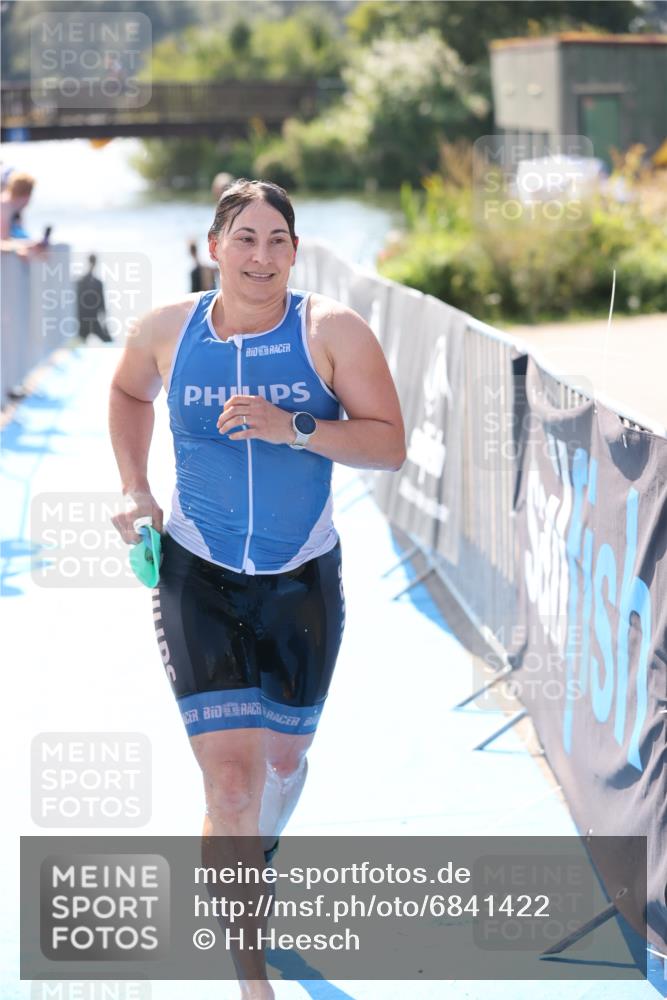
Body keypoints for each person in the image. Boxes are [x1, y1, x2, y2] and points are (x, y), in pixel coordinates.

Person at [109, 179, 405, 999]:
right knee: (230, 784)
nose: (261, 256)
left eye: (277, 239)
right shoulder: (167, 330)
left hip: (301, 578)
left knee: (284, 758)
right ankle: (252, 980)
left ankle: (256, 850)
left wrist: (295, 426)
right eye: (244, 238)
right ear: (214, 247)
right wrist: (135, 489)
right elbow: (128, 391)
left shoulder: (331, 332)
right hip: (195, 574)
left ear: (295, 252)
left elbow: (387, 447)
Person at [76, 254, 112, 343]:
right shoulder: (81, 282)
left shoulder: (84, 281)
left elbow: (102, 304)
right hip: (84, 320)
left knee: (108, 341)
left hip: (91, 319)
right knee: (76, 345)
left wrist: (104, 323)